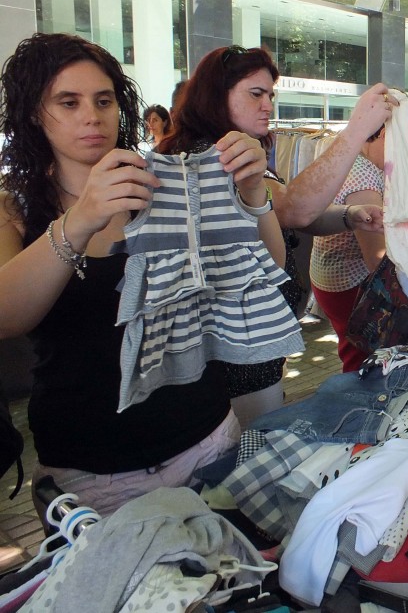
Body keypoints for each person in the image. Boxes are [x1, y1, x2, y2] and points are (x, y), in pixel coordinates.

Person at [0, 33, 255, 516]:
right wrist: (79, 221)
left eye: (103, 100)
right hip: (93, 473)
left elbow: (259, 274)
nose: (91, 116)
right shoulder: (14, 210)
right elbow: (6, 317)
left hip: (206, 440)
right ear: (35, 113)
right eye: (68, 102)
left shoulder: (165, 185)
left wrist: (252, 191)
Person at [160, 46, 386, 424]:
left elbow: (293, 218)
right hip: (238, 351)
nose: (267, 105)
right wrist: (358, 127)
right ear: (217, 96)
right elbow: (291, 210)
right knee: (250, 443)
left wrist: (349, 217)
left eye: (270, 95)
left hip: (253, 341)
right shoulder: (214, 156)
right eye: (255, 94)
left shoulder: (241, 149)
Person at [309, 103, 408, 373]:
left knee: (353, 349)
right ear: (384, 132)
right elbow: (376, 259)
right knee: (361, 357)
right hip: (349, 284)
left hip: (332, 279)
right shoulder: (363, 176)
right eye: (406, 138)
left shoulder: (351, 159)